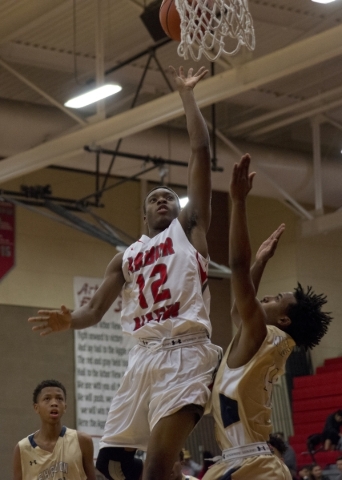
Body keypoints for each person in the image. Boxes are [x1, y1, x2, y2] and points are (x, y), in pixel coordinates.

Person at [28, 66, 222, 480]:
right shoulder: (126, 257)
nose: (163, 200)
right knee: (110, 464)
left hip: (185, 351)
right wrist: (68, 321)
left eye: (170, 196)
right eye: (155, 198)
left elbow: (201, 151)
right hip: (140, 359)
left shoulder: (189, 231)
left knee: (154, 466)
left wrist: (188, 97)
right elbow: (93, 312)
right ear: (145, 211)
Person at [202, 154, 332, 480]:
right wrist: (260, 262)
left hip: (253, 466)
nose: (267, 297)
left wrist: (238, 202)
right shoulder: (266, 340)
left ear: (284, 319)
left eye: (277, 299)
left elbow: (237, 271)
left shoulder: (264, 335)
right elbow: (238, 309)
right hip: (241, 462)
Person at [12, 379, 96, 480]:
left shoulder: (82, 441)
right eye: (47, 399)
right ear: (36, 407)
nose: (54, 403)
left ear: (65, 407)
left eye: (59, 398)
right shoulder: (22, 449)